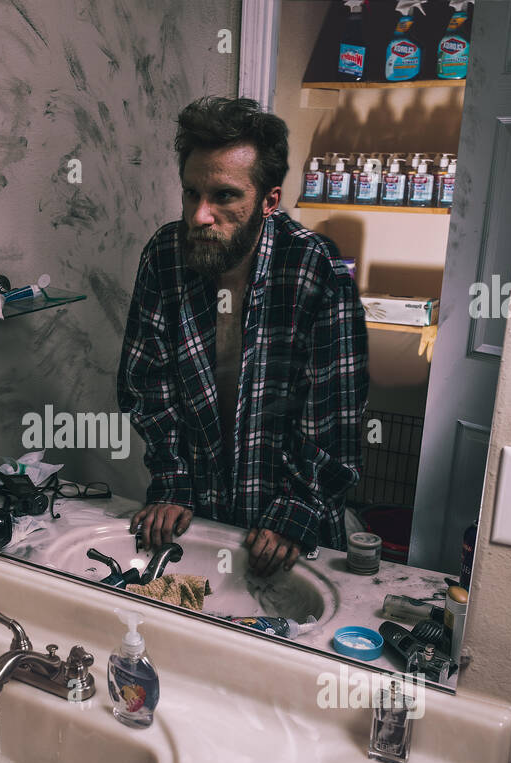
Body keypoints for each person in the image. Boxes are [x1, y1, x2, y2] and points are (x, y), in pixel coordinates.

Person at [117, 96, 369, 576]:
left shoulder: (315, 269)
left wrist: (299, 506)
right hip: (197, 515)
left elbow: (335, 411)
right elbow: (147, 385)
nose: (199, 215)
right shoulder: (165, 257)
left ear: (269, 201)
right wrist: (172, 481)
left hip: (292, 528)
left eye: (224, 196)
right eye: (192, 193)